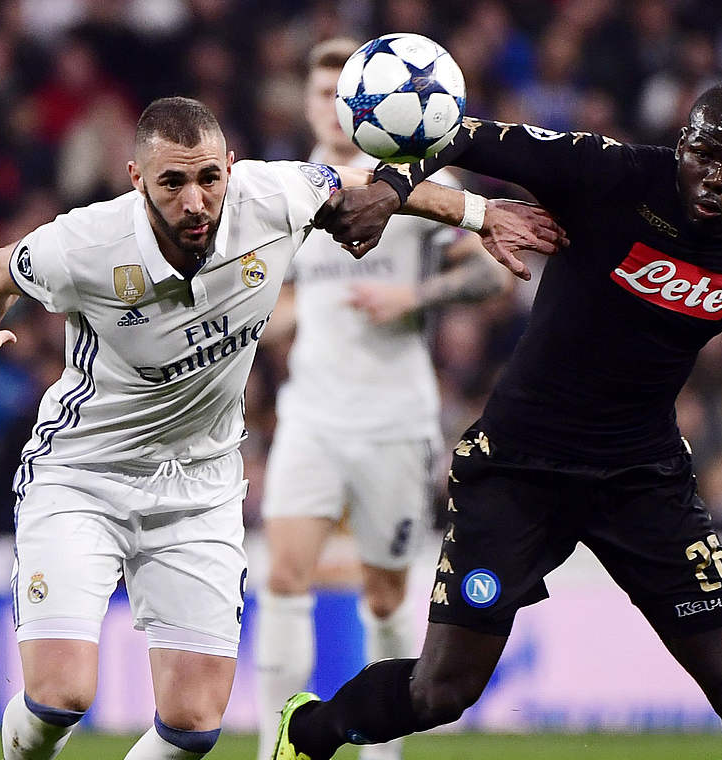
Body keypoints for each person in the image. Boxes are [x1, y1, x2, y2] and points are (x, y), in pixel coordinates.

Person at [270, 83, 722, 760]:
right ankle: (308, 731)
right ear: (680, 146)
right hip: (517, 466)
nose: (714, 176)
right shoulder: (607, 172)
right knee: (441, 691)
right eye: (704, 154)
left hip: (642, 477)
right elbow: (460, 132)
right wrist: (389, 189)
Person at [0, 96, 561, 760]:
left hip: (200, 488)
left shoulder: (274, 195)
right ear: (135, 179)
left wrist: (481, 213)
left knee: (192, 725)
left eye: (209, 178)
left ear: (231, 169)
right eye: (172, 183)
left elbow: (370, 188)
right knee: (59, 697)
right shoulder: (86, 244)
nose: (195, 201)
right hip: (83, 477)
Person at [253, 39, 511, 760]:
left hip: (395, 420)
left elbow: (493, 275)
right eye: (319, 95)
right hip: (310, 415)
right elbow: (254, 304)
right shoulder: (279, 188)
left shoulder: (419, 179)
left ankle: (381, 749)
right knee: (283, 574)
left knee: (388, 597)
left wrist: (416, 294)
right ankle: (278, 743)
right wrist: (288, 315)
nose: (331, 111)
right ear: (306, 104)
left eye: (344, 95)